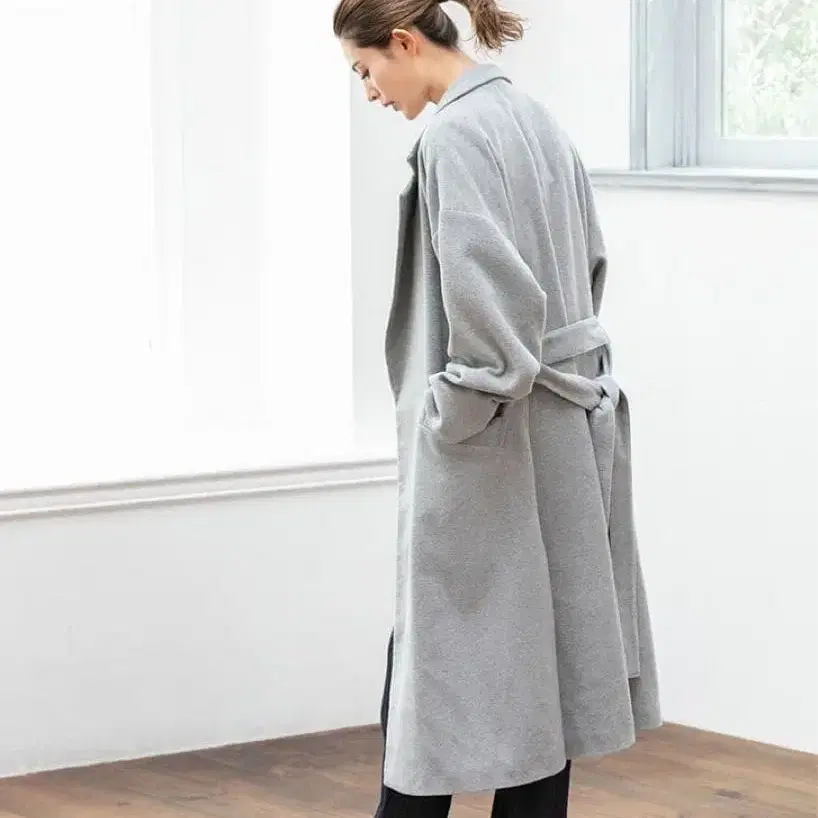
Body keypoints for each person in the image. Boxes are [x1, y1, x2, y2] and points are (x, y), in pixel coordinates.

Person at [333, 1, 662, 816]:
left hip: (494, 446)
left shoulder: (453, 137)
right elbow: (588, 268)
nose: (369, 91)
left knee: (430, 677)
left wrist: (450, 415)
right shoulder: (536, 120)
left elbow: (492, 325)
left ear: (404, 42)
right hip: (562, 433)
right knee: (540, 675)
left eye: (365, 70)